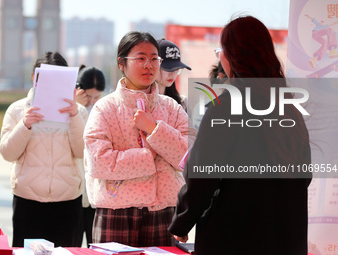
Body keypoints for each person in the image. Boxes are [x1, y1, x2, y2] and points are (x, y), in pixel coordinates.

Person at [169, 16, 312, 255]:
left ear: (233, 56)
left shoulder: (226, 106)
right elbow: (304, 175)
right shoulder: (290, 107)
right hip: (287, 238)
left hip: (234, 237)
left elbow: (202, 176)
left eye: (221, 50)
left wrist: (183, 221)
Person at [84, 31, 196, 247]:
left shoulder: (172, 108)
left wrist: (154, 130)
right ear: (121, 63)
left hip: (163, 211)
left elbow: (189, 157)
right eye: (141, 58)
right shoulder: (104, 109)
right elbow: (99, 163)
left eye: (154, 58)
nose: (149, 65)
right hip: (115, 212)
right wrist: (148, 158)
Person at [0, 52, 88, 247]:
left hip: (67, 201)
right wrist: (24, 125)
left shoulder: (79, 112)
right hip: (27, 201)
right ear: (34, 77)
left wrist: (74, 117)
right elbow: (7, 153)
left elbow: (83, 153)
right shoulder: (17, 110)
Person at [74, 65, 106, 247]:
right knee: (73, 244)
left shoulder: (103, 109)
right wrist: (78, 108)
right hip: (75, 190)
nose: (92, 101)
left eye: (97, 97)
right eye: (88, 96)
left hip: (96, 192)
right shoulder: (70, 109)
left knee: (96, 245)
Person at [156, 39, 191, 112]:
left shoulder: (182, 102)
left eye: (176, 68)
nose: (173, 74)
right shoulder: (139, 100)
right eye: (168, 68)